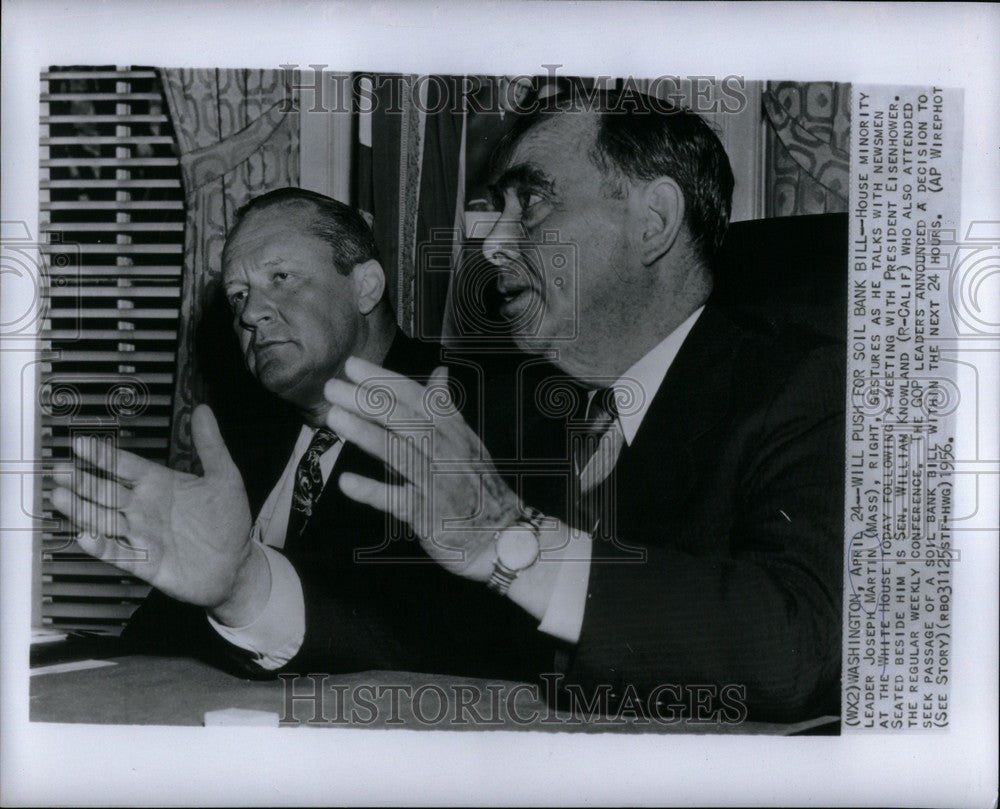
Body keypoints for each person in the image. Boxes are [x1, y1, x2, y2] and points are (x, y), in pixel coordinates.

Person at [323, 90, 845, 723]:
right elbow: (407, 622)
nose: (491, 247)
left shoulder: (812, 385)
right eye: (497, 209)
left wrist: (514, 542)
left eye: (532, 202)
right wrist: (248, 590)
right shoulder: (503, 408)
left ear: (653, 221)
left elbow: (803, 644)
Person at [51, 188, 550, 679]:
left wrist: (244, 587)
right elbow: (156, 642)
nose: (249, 314)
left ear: (366, 286)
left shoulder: (478, 415)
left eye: (281, 277)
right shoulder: (245, 442)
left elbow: (461, 650)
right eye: (238, 296)